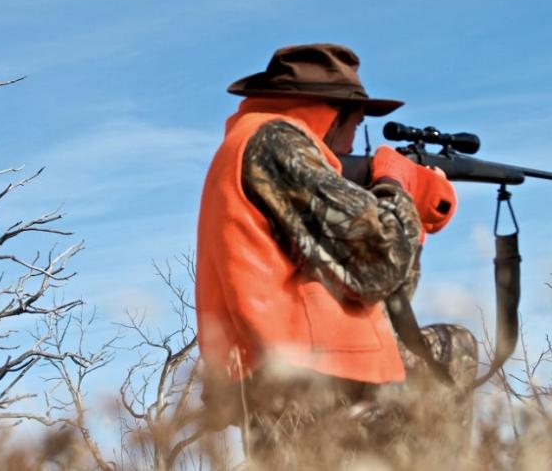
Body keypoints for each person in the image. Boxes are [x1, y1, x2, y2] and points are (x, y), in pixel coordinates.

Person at [194, 44, 477, 461]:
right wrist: (396, 186)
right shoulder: (275, 139)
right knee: (454, 348)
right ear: (326, 114)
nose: (352, 139)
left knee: (443, 348)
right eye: (355, 124)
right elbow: (379, 262)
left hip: (305, 369)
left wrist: (414, 220)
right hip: (308, 377)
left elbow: (379, 289)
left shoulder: (254, 144)